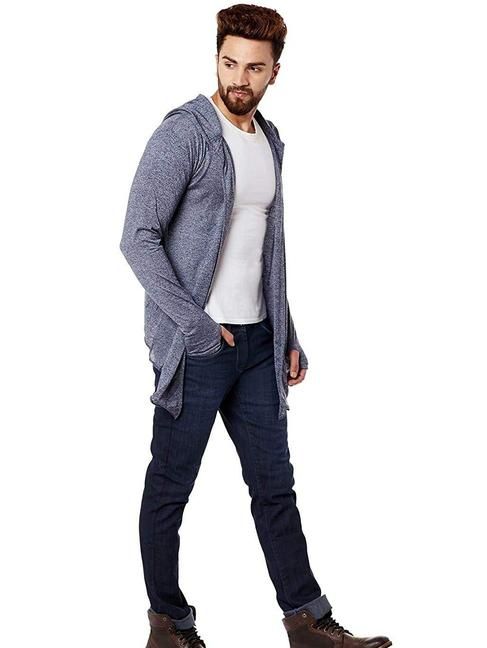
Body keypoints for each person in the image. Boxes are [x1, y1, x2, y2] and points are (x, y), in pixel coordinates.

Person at [120, 4, 392, 648]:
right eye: (229, 62)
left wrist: (287, 332)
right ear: (217, 58)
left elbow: (265, 251)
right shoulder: (185, 134)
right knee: (170, 489)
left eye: (254, 68)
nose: (239, 78)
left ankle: (307, 621)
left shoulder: (269, 141)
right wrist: (196, 328)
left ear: (275, 71)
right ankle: (169, 626)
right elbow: (137, 238)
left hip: (259, 345)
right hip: (199, 347)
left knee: (275, 488)